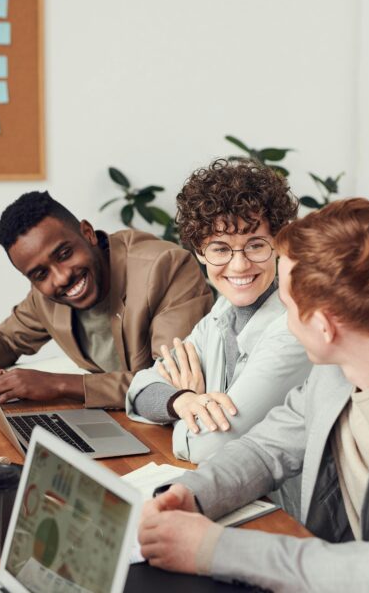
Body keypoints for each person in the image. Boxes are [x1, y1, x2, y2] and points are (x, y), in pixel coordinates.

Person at [138, 198, 369, 592]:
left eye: (287, 305)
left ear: (323, 326)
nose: (283, 320)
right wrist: (192, 495)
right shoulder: (335, 371)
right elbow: (264, 450)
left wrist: (213, 549)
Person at [0, 191, 213, 408]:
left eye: (63, 254)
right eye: (40, 274)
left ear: (87, 233)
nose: (60, 278)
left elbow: (170, 383)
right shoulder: (45, 297)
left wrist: (59, 385)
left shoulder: (165, 267)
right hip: (119, 422)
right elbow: (6, 339)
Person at [126, 159, 311, 465]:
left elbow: (206, 448)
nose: (239, 265)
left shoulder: (292, 332)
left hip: (280, 508)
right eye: (221, 249)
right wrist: (183, 400)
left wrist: (178, 408)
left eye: (255, 246)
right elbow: (139, 388)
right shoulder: (220, 315)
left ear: (278, 244)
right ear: (200, 252)